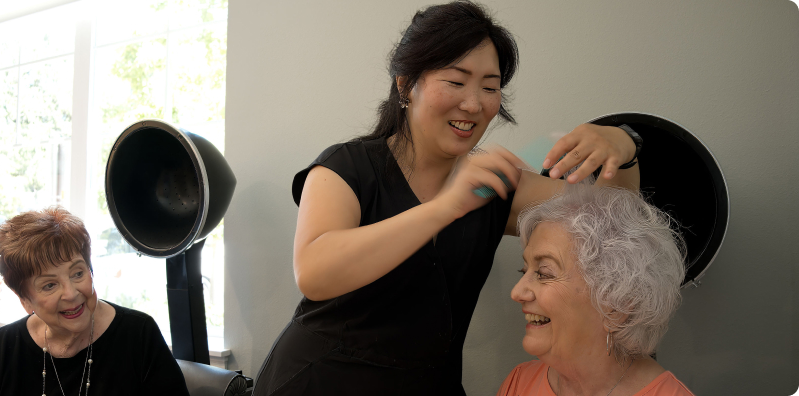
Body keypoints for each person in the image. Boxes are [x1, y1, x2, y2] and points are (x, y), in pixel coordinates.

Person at [253, 1, 643, 395]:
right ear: (406, 85)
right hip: (318, 382)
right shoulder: (345, 168)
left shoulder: (498, 186)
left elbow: (616, 225)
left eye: (490, 88)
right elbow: (315, 273)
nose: (474, 104)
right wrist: (445, 207)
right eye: (456, 82)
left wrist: (625, 147)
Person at [0, 207, 189, 396]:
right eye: (49, 285)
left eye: (77, 273)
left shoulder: (139, 336)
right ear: (26, 301)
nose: (71, 293)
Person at [499, 183, 693, 395]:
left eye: (544, 273)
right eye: (523, 270)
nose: (516, 292)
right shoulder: (519, 382)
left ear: (617, 307)